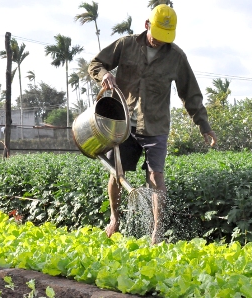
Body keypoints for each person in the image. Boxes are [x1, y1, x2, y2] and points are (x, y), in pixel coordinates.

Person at [88, 4, 217, 244]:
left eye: (165, 37)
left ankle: (156, 231)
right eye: (157, 35)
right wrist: (104, 74)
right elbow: (95, 64)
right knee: (118, 174)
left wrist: (204, 126)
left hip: (156, 127)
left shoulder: (176, 56)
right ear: (147, 25)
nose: (160, 41)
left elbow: (191, 94)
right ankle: (114, 219)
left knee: (156, 177)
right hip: (125, 123)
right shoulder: (126, 45)